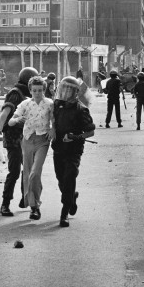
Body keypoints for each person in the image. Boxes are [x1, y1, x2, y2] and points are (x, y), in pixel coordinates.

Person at [0, 67, 39, 217]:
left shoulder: (28, 95)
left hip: (26, 138)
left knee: (29, 171)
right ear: (28, 80)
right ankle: (5, 204)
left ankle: (28, 200)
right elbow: (5, 112)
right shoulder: (15, 93)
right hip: (13, 139)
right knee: (14, 172)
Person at [8, 76, 55, 220]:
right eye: (34, 90)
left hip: (42, 140)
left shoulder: (49, 104)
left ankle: (35, 203)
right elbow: (10, 122)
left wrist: (53, 129)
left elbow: (54, 120)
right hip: (27, 140)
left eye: (40, 90)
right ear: (30, 90)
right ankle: (34, 207)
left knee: (35, 172)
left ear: (44, 90)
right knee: (28, 173)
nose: (37, 93)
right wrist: (17, 120)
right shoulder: (25, 104)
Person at [52, 76, 95, 227]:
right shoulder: (56, 105)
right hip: (58, 148)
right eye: (64, 87)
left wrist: (76, 136)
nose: (66, 91)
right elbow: (50, 121)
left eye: (70, 88)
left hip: (74, 150)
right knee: (61, 180)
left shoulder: (81, 109)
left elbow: (90, 132)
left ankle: (64, 213)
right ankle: (71, 197)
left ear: (75, 91)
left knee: (70, 176)